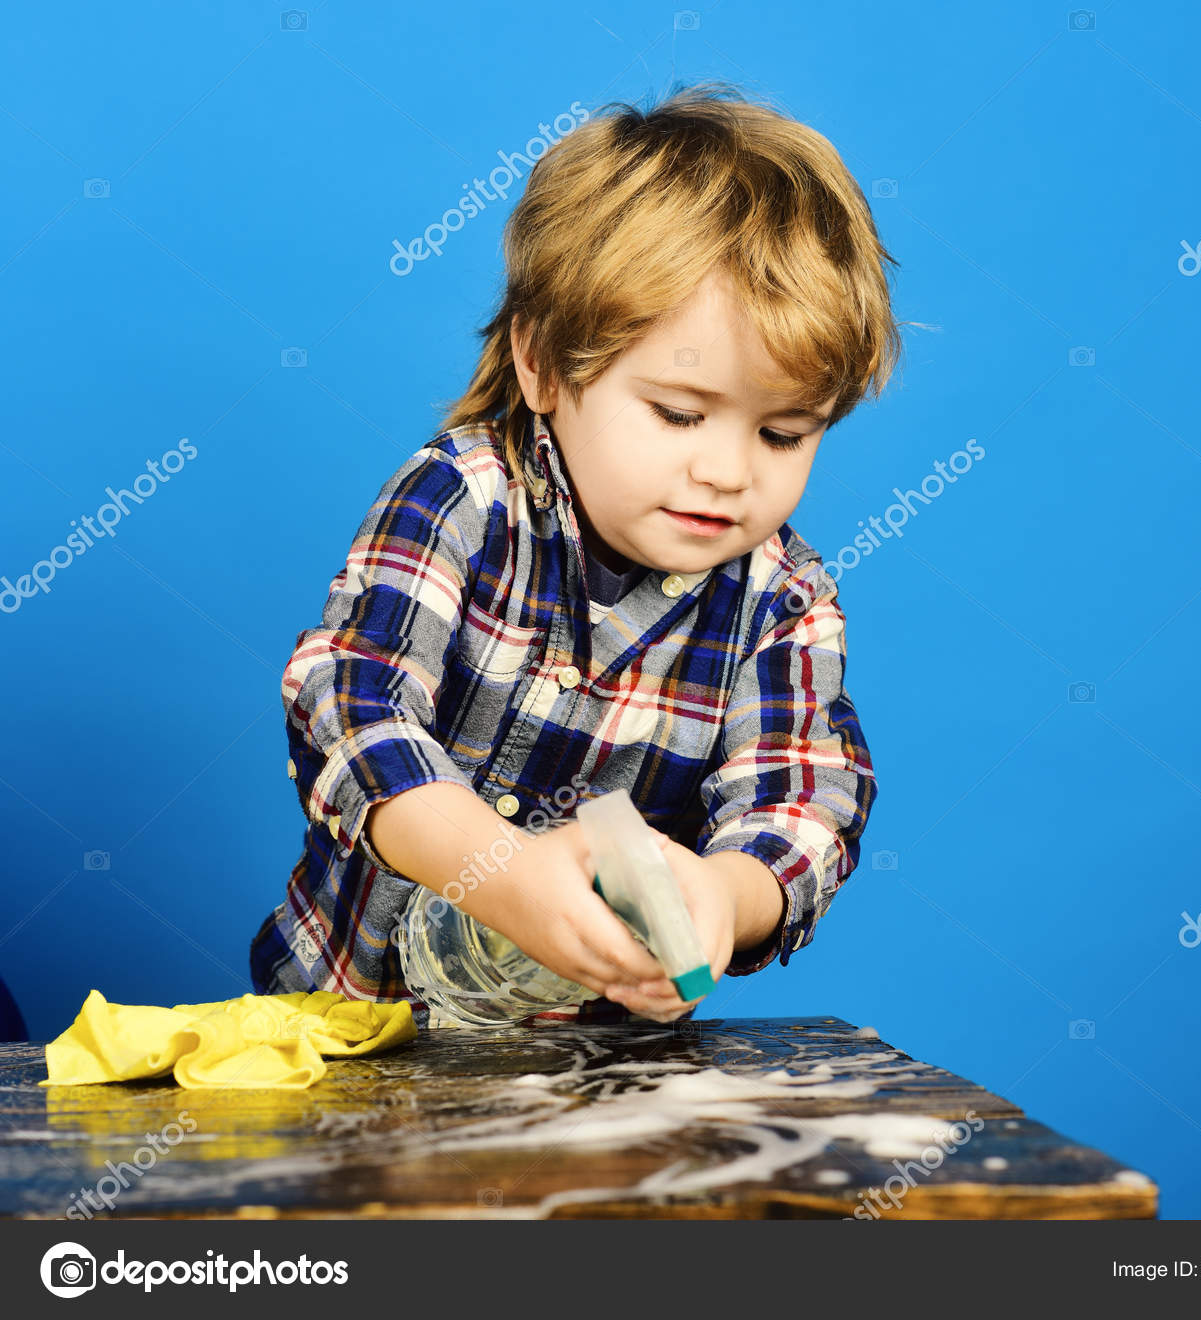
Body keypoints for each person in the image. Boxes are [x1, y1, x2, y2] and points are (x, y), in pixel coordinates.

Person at [249, 80, 903, 1028]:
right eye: (680, 413)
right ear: (545, 364)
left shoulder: (784, 602)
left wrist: (724, 895)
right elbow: (351, 703)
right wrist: (500, 871)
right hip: (343, 1035)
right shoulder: (464, 499)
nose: (726, 471)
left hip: (592, 1081)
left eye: (784, 433)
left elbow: (805, 799)